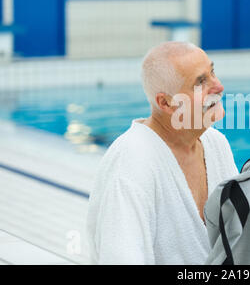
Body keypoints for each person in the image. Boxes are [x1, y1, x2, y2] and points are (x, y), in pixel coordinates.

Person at [86, 42, 238, 264]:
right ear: (166, 103)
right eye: (201, 82)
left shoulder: (215, 144)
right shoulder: (133, 163)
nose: (218, 86)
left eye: (212, 72)